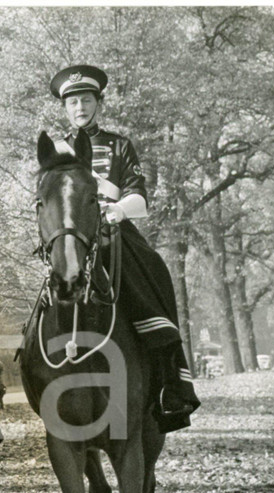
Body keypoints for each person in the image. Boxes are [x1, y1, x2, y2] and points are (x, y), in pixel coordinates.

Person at [50, 65, 200, 432]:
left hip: (113, 230)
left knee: (153, 272)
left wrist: (116, 208)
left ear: (97, 103)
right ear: (64, 108)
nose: (80, 106)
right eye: (72, 101)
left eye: (86, 99)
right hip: (71, 233)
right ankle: (39, 369)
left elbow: (138, 195)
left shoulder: (119, 145)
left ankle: (169, 380)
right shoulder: (55, 149)